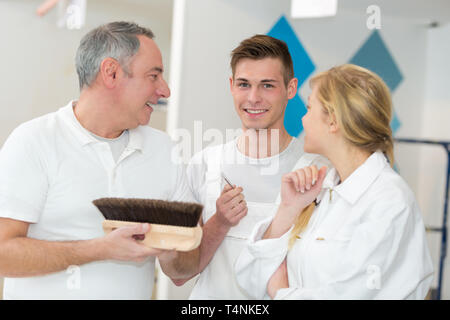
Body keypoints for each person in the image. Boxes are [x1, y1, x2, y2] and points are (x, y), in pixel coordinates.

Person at [0, 21, 199, 299]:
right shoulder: (33, 141)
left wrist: (168, 250)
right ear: (111, 73)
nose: (164, 90)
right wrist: (101, 249)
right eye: (153, 76)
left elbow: (184, 271)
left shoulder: (165, 150)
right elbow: (3, 254)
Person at [235, 64, 434, 300]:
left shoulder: (389, 201)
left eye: (309, 108)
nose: (303, 118)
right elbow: (249, 277)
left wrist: (280, 293)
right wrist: (287, 211)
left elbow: (351, 295)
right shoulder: (313, 185)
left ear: (333, 122)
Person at [172, 35, 329, 299]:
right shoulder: (204, 165)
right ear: (232, 86)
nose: (253, 98)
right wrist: (219, 223)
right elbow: (179, 275)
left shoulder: (317, 172)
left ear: (291, 89)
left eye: (267, 85)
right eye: (244, 84)